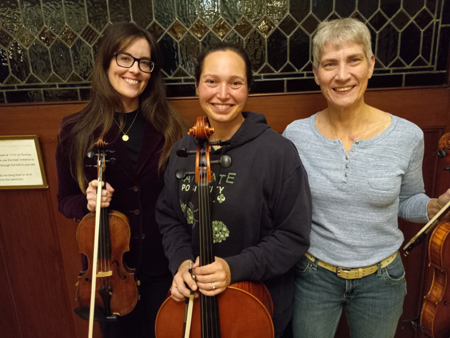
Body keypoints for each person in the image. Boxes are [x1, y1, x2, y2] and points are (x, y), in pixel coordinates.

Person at [283, 18, 450, 338]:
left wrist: (432, 207)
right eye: (330, 63)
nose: (342, 74)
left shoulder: (408, 136)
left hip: (381, 281)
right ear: (316, 72)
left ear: (371, 65)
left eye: (354, 60)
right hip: (313, 276)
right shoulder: (295, 135)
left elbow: (408, 200)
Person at [155, 42, 312, 337]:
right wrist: (182, 263)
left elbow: (293, 236)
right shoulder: (183, 149)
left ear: (248, 88)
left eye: (235, 83)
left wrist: (234, 268)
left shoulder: (277, 153)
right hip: (196, 306)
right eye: (211, 81)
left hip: (257, 310)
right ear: (197, 86)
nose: (222, 94)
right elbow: (170, 218)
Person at [56, 23, 187, 338]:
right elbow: (65, 200)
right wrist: (86, 201)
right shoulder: (74, 130)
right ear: (106, 62)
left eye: (145, 62)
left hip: (163, 266)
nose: (135, 70)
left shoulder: (170, 126)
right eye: (125, 58)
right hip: (106, 274)